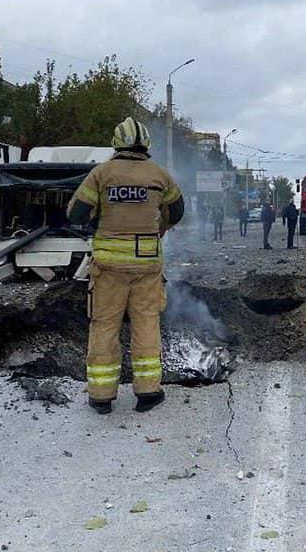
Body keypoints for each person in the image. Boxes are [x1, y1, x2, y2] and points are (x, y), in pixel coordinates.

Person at [66, 117, 184, 415]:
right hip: (147, 265)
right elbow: (177, 209)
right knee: (146, 323)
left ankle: (101, 396)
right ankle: (148, 393)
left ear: (116, 143)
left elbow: (76, 214)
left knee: (105, 325)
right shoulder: (160, 175)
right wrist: (161, 227)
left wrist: (99, 218)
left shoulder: (101, 174)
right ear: (146, 143)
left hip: (108, 268)